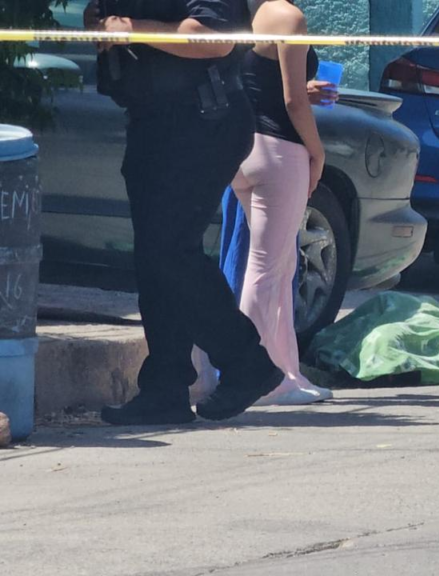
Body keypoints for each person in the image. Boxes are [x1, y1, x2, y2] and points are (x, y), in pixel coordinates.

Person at [88, 0, 285, 425]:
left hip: (203, 119)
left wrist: (131, 27)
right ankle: (165, 388)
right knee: (154, 260)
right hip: (152, 122)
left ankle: (246, 361)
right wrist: (100, 20)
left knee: (170, 252)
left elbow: (213, 40)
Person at [227, 0, 333, 405]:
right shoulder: (288, 17)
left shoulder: (242, 13)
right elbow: (293, 102)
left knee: (281, 264)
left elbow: (256, 80)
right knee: (268, 271)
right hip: (279, 152)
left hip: (243, 148)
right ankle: (253, 376)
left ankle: (287, 372)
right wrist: (317, 151)